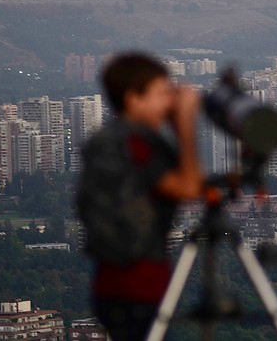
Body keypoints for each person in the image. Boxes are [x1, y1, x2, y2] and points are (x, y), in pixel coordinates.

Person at [76, 50, 203, 341]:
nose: (169, 101)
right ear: (134, 98)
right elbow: (188, 188)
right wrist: (185, 124)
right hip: (138, 285)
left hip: (111, 283)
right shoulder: (136, 143)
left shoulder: (107, 139)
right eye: (161, 93)